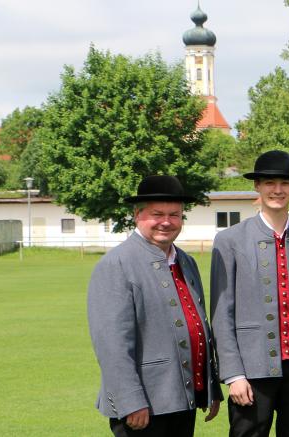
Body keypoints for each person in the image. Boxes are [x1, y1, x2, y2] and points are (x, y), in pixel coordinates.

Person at [210, 150, 289, 437]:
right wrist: (234, 374)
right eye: (269, 183)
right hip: (251, 372)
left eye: (284, 183)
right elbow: (221, 314)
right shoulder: (229, 240)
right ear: (257, 186)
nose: (277, 190)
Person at [87, 175, 221, 436]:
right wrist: (130, 401)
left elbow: (198, 324)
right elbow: (112, 345)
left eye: (174, 214)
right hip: (144, 405)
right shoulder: (117, 264)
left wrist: (209, 386)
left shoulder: (186, 261)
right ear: (137, 215)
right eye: (157, 214)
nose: (166, 222)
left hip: (184, 398)